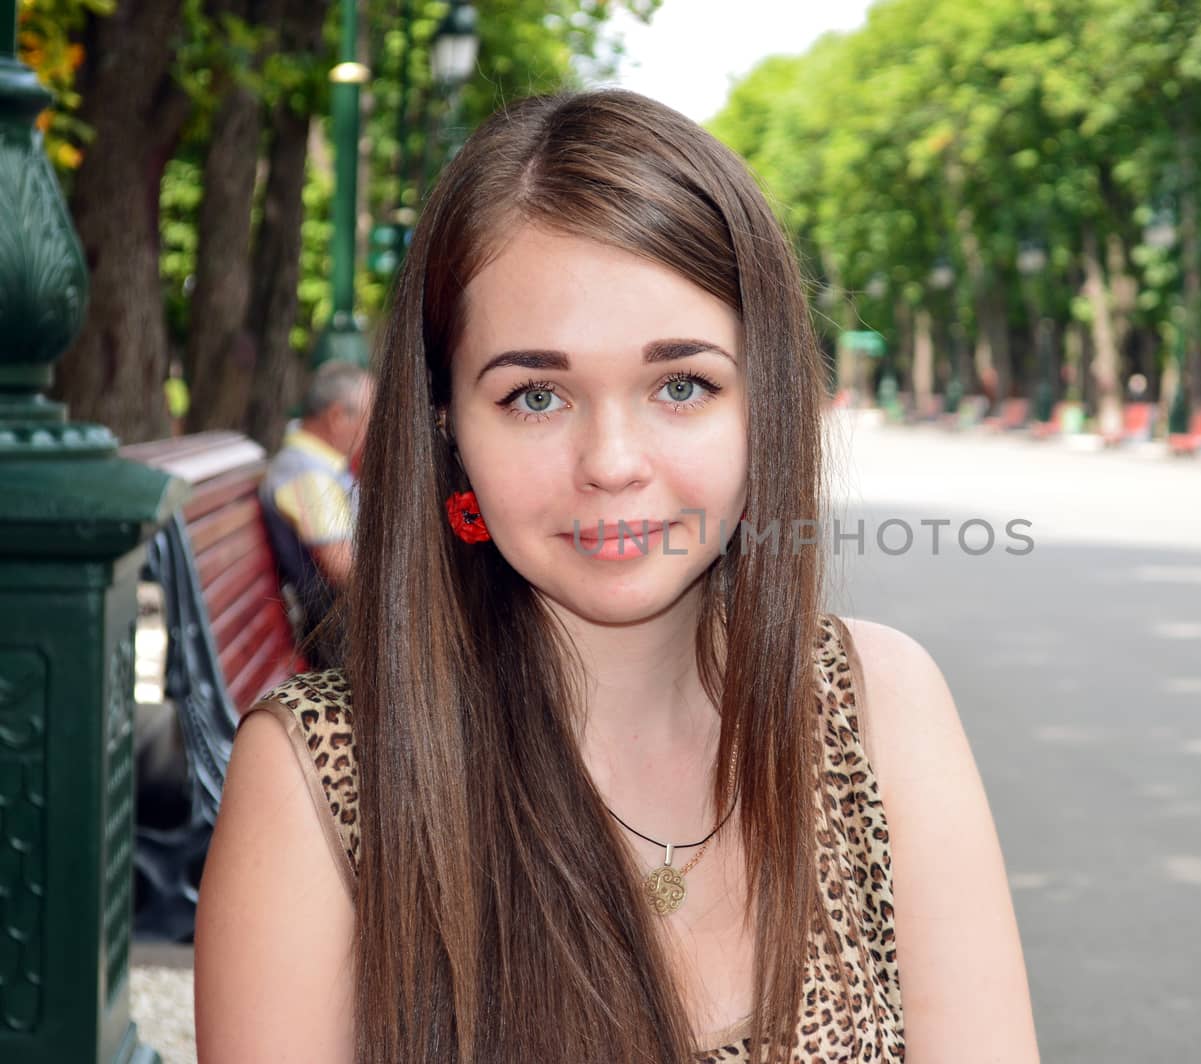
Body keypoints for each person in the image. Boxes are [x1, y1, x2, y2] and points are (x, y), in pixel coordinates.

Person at [194, 90, 1037, 1064]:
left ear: (763, 401)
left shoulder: (879, 709)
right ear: (445, 430)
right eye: (536, 395)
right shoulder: (324, 779)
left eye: (681, 385)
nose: (612, 460)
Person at [258, 361, 373, 668]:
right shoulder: (307, 474)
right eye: (369, 418)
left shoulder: (315, 465)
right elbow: (344, 570)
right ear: (337, 416)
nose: (374, 429)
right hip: (341, 638)